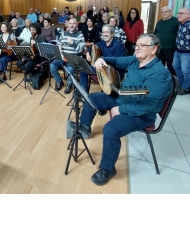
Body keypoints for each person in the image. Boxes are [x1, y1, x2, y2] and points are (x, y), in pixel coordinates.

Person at [71, 33, 172, 186]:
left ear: (154, 49)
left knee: (110, 129)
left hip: (141, 113)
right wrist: (100, 59)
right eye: (137, 45)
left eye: (142, 45)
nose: (137, 48)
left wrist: (121, 109)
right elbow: (116, 60)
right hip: (122, 99)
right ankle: (85, 126)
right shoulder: (134, 60)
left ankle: (107, 169)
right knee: (93, 98)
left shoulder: (159, 74)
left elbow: (149, 106)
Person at [80, 24, 126, 92]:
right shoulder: (102, 43)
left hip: (113, 72)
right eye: (103, 32)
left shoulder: (118, 45)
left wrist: (100, 62)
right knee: (83, 70)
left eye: (107, 32)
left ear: (112, 34)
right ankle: (83, 93)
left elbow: (117, 62)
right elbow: (93, 46)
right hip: (102, 68)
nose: (104, 34)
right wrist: (88, 53)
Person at [50, 18, 85, 94]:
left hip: (73, 56)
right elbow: (59, 43)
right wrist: (59, 47)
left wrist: (72, 43)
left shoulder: (80, 35)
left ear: (77, 24)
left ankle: (69, 84)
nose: (71, 25)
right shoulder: (63, 33)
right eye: (70, 23)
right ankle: (59, 81)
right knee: (52, 66)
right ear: (68, 24)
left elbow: (81, 50)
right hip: (63, 55)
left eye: (73, 23)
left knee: (70, 69)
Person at [153, 6, 180, 76]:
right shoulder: (159, 22)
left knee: (171, 66)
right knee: (159, 65)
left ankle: (173, 80)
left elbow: (180, 34)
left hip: (171, 48)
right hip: (159, 47)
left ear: (170, 12)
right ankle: (161, 79)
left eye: (166, 11)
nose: (164, 13)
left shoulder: (176, 21)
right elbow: (155, 33)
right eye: (162, 12)